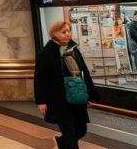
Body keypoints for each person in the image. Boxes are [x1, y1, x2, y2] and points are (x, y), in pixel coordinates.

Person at [35, 20, 100, 148]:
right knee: (70, 135)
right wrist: (41, 101)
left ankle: (61, 142)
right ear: (54, 34)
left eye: (69, 31)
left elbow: (84, 73)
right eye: (64, 32)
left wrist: (89, 96)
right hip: (58, 99)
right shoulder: (46, 53)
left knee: (81, 130)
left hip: (76, 96)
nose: (68, 34)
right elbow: (40, 77)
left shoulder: (74, 50)